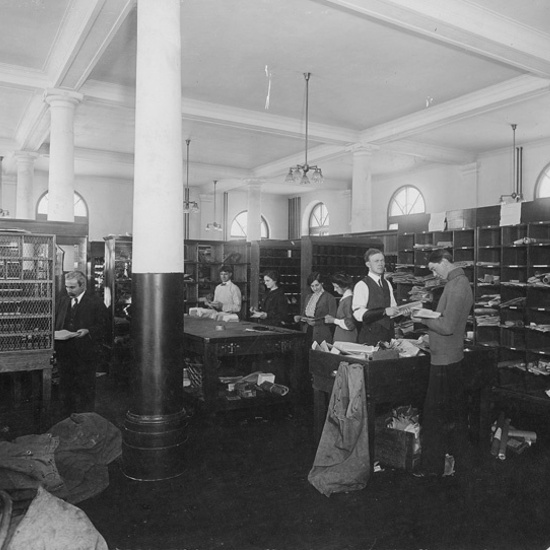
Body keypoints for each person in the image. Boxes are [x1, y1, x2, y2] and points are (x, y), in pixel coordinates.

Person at [411, 249, 474, 477]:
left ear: (444, 261)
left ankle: (432, 468)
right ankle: (453, 464)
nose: (434, 274)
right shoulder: (455, 282)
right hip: (447, 357)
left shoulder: (457, 285)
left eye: (433, 268)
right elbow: (446, 319)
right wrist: (428, 314)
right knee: (450, 415)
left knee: (434, 417)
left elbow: (447, 327)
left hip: (445, 361)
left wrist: (421, 318)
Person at [54, 270, 109, 416]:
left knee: (85, 388)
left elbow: (105, 326)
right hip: (64, 352)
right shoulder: (63, 300)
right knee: (66, 386)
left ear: (82, 285)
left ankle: (86, 420)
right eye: (67, 287)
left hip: (85, 353)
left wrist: (88, 330)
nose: (68, 290)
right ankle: (66, 418)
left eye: (72, 287)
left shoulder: (95, 302)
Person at [352, 248, 399, 345]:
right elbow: (359, 314)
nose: (380, 264)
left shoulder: (387, 284)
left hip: (388, 337)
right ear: (368, 264)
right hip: (370, 338)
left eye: (382, 260)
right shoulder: (362, 285)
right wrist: (384, 311)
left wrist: (402, 313)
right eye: (376, 261)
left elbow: (393, 309)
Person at [294, 272, 337, 346]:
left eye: (317, 285)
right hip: (308, 331)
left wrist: (316, 323)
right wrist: (300, 318)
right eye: (312, 286)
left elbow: (332, 318)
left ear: (322, 283)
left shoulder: (329, 298)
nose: (315, 288)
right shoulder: (308, 297)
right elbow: (304, 314)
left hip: (322, 333)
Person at [324, 272, 357, 343]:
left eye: (336, 287)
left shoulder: (349, 300)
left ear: (344, 287)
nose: (334, 290)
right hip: (342, 337)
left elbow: (350, 325)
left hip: (346, 339)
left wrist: (334, 320)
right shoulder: (345, 299)